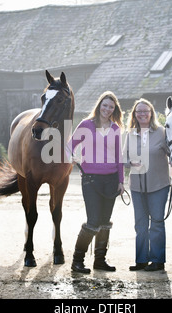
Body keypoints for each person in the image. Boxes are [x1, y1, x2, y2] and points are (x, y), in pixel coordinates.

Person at [69, 91, 124, 274]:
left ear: (114, 109)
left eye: (111, 107)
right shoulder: (86, 125)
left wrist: (121, 181)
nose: (107, 109)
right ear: (99, 105)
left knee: (105, 221)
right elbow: (70, 146)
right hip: (90, 180)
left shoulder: (115, 129)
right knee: (93, 221)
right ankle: (77, 261)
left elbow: (119, 157)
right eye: (105, 105)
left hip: (111, 180)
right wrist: (72, 158)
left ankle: (100, 260)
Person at [123, 98, 170, 271]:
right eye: (139, 111)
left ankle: (157, 260)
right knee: (140, 224)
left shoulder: (162, 132)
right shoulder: (130, 134)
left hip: (159, 185)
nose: (142, 114)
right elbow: (124, 158)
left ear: (151, 113)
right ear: (134, 114)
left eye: (146, 111)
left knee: (157, 222)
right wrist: (130, 162)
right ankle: (141, 260)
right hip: (137, 186)